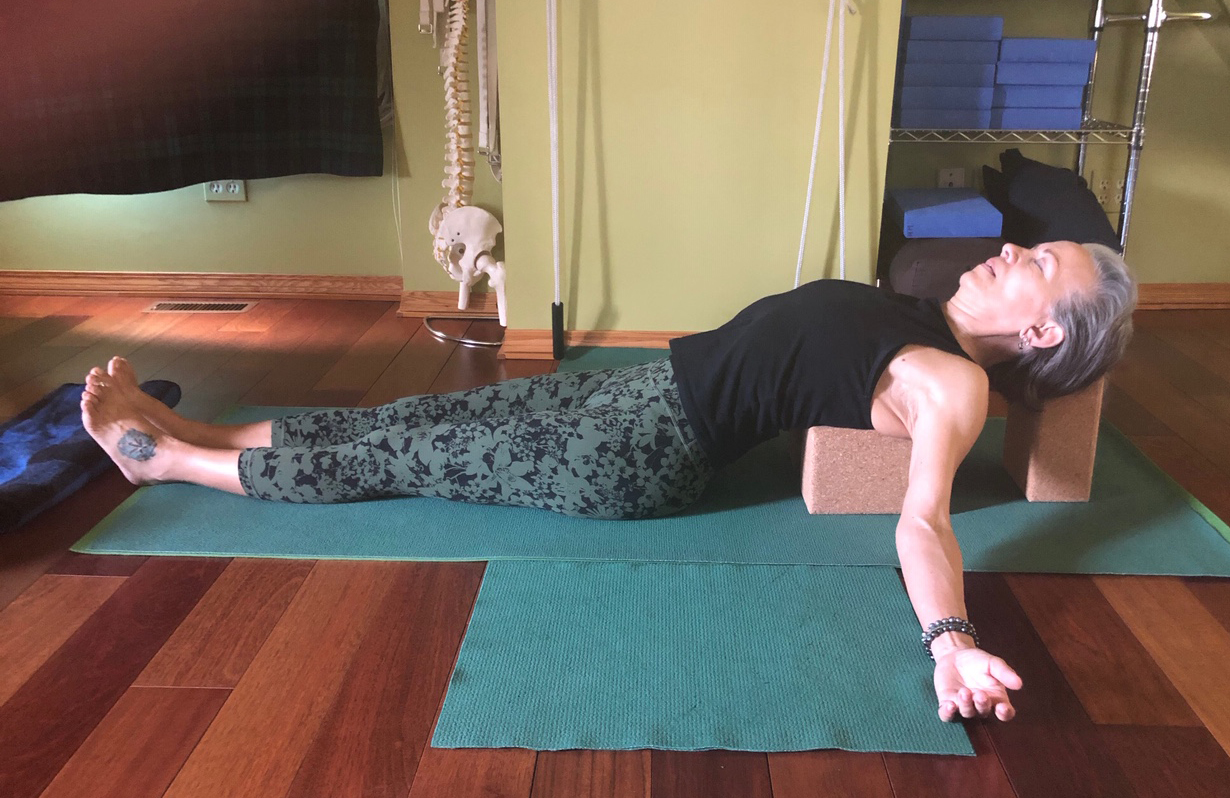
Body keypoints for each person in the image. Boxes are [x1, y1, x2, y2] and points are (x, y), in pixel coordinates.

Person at [80, 240, 1136, 725]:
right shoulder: (921, 313)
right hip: (633, 397)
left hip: (632, 458)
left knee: (397, 458)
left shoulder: (951, 383)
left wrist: (951, 642)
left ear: (1041, 331)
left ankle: (171, 461)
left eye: (1037, 262)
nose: (1007, 248)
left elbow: (925, 521)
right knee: (407, 418)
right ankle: (191, 422)